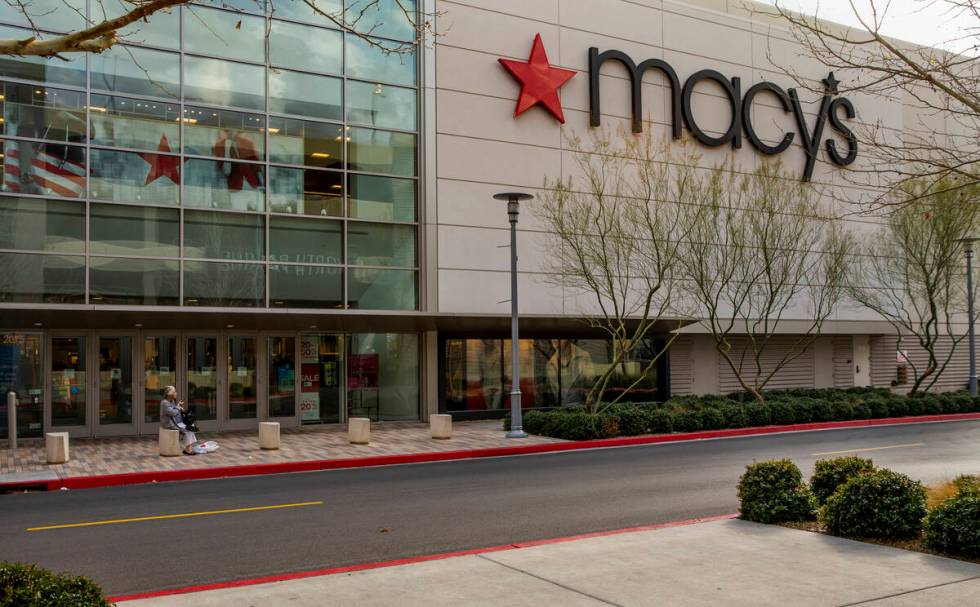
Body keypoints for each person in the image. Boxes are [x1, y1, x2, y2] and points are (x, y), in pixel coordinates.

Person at [160, 385, 198, 455]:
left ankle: (188, 448)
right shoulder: (164, 403)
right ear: (169, 394)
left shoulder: (171, 401)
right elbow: (173, 413)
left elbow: (174, 409)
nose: (176, 393)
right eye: (174, 392)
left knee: (191, 426)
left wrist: (178, 406)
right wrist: (178, 408)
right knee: (188, 429)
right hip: (169, 424)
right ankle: (188, 449)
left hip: (175, 421)